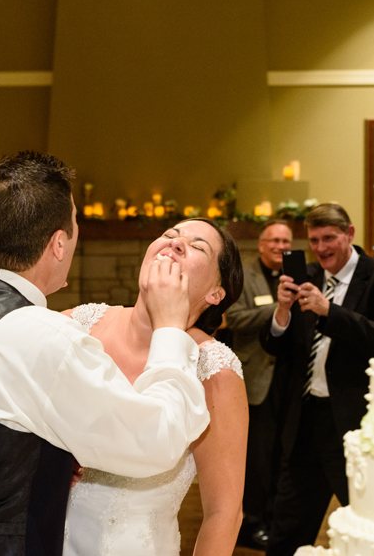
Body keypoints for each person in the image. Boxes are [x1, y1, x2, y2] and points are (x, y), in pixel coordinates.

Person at [0, 151, 211, 556]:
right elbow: (156, 442)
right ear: (58, 243)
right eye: (75, 222)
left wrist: (32, 467)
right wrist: (172, 328)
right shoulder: (46, 337)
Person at [63, 217, 247, 556]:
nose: (175, 243)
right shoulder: (76, 326)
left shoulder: (214, 370)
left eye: (197, 246)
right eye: (169, 235)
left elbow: (224, 513)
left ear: (215, 293)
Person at [260, 203, 374, 555]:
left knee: (366, 520)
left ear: (350, 234)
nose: (321, 248)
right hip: (304, 422)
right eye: (314, 240)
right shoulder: (305, 275)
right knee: (287, 526)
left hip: (354, 422)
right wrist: (281, 310)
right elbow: (274, 346)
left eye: (329, 238)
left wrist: (330, 312)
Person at [224, 219, 292, 548]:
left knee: (283, 453)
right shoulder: (245, 276)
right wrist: (277, 309)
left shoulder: (297, 275)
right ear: (262, 245)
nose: (280, 246)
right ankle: (250, 523)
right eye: (274, 240)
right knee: (257, 458)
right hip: (255, 378)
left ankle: (273, 520)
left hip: (289, 380)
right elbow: (233, 319)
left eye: (285, 240)